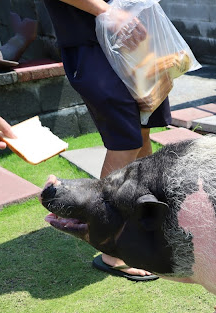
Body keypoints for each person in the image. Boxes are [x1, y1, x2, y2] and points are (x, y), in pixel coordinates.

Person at [43, 0, 172, 281]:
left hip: (130, 34)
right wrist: (105, 11)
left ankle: (145, 219)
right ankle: (111, 247)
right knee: (125, 140)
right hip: (92, 39)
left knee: (142, 130)